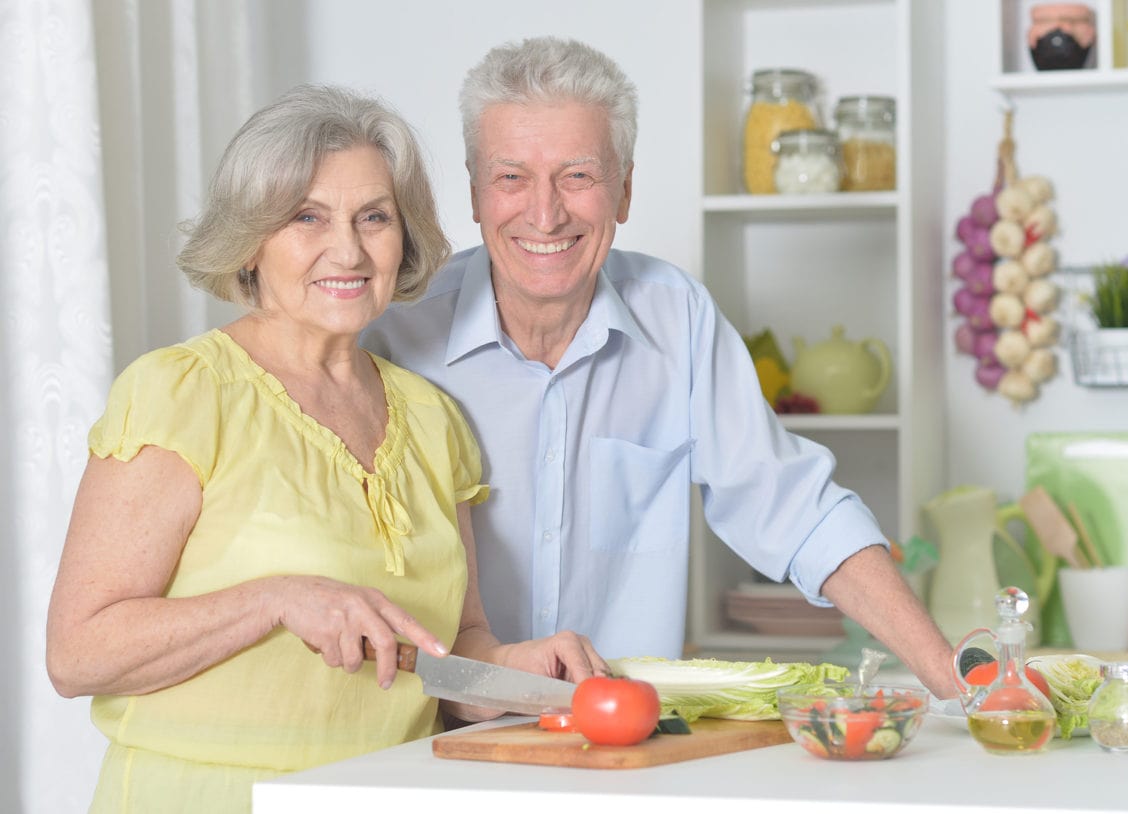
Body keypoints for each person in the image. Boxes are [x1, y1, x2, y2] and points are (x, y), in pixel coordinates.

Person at [45, 83, 605, 814]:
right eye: (307, 217)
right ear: (251, 239)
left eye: (374, 217)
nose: (348, 248)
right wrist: (275, 599)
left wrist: (511, 667)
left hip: (389, 794)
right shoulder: (181, 393)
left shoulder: (433, 420)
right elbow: (77, 653)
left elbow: (449, 650)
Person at [361, 37, 957, 699]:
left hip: (630, 744)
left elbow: (797, 511)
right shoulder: (394, 336)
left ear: (625, 189)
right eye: (512, 177)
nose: (545, 212)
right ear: (474, 194)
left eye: (578, 175)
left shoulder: (678, 319)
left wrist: (956, 681)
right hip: (439, 736)